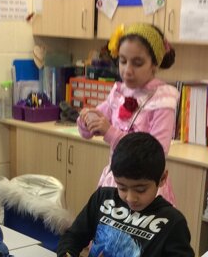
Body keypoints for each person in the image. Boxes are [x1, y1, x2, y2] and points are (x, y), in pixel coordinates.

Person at [56, 132, 195, 257]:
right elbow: (72, 237)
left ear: (162, 179)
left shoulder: (172, 221)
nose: (130, 198)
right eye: (122, 187)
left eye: (141, 190)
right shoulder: (103, 198)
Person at [77, 23, 180, 205]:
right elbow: (88, 130)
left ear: (154, 64)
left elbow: (157, 153)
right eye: (123, 61)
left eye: (137, 63)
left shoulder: (162, 99)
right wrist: (86, 119)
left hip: (144, 190)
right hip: (118, 183)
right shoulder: (119, 92)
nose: (127, 70)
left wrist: (110, 133)